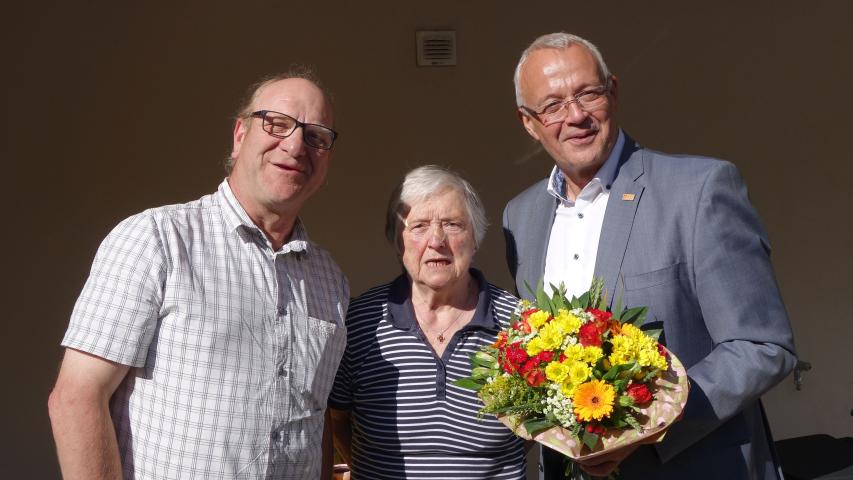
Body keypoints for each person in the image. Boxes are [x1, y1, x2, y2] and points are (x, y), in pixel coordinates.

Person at [503, 33, 797, 479]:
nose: (576, 116)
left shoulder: (698, 189)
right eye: (553, 105)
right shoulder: (521, 217)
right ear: (529, 122)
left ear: (614, 92)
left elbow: (762, 345)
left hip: (691, 465)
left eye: (588, 93)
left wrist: (646, 424)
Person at [48, 70, 348, 479]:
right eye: (276, 123)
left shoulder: (330, 281)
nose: (296, 145)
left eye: (316, 136)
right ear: (240, 135)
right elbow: (77, 396)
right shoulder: (157, 239)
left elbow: (316, 419)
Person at [328, 165, 527, 479]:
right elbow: (336, 418)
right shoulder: (360, 323)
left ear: (475, 239)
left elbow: (535, 430)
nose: (437, 240)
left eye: (452, 224)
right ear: (397, 241)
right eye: (418, 226)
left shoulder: (520, 325)